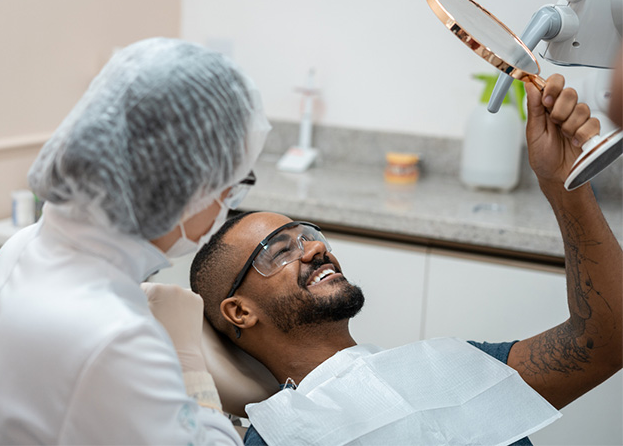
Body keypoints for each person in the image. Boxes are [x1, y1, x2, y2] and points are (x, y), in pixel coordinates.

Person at [178, 74, 622, 445]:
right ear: (239, 311)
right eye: (279, 251)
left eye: (309, 236)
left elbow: (608, 340)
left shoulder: (454, 366)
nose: (316, 249)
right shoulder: (278, 436)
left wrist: (566, 185)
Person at [0, 38, 270, 444]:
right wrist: (189, 365)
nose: (228, 206)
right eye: (232, 187)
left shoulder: (19, 249)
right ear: (182, 187)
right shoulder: (117, 339)